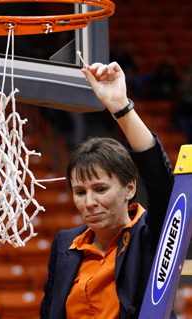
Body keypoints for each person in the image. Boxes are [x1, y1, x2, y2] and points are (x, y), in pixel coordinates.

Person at [40, 61, 176, 319]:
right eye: (80, 192)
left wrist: (119, 106)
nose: (89, 202)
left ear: (130, 188)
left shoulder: (153, 235)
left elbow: (161, 182)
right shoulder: (64, 243)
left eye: (100, 189)